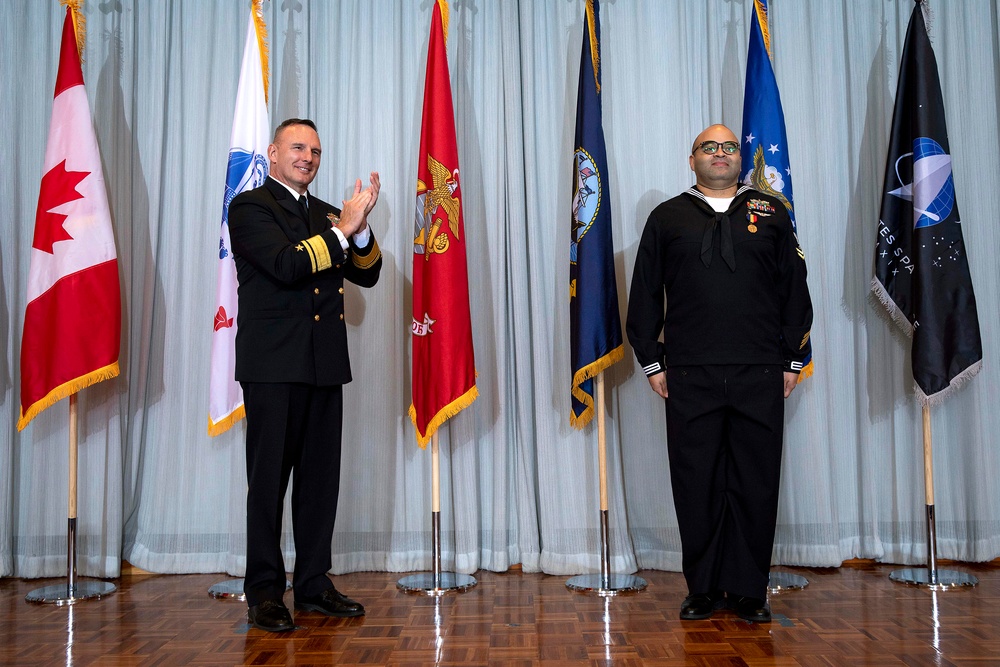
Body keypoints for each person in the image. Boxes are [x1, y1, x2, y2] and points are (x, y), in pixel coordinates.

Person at [626, 124, 812, 623]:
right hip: (689, 374)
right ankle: (703, 588)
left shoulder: (771, 213)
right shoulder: (666, 218)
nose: (720, 154)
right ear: (692, 160)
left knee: (756, 482)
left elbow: (794, 288)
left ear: (739, 158)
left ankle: (750, 590)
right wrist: (652, 361)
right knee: (697, 483)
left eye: (729, 147)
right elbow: (643, 295)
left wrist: (794, 358)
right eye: (709, 147)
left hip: (760, 372)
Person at [228, 118, 383, 632]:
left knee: (319, 484)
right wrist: (343, 228)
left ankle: (314, 585)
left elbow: (369, 271)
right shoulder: (249, 207)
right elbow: (286, 265)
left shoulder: (323, 212)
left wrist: (359, 230)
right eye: (297, 147)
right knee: (268, 484)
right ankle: (265, 592)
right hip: (272, 366)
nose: (308, 157)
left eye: (315, 150)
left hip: (323, 364)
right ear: (272, 152)